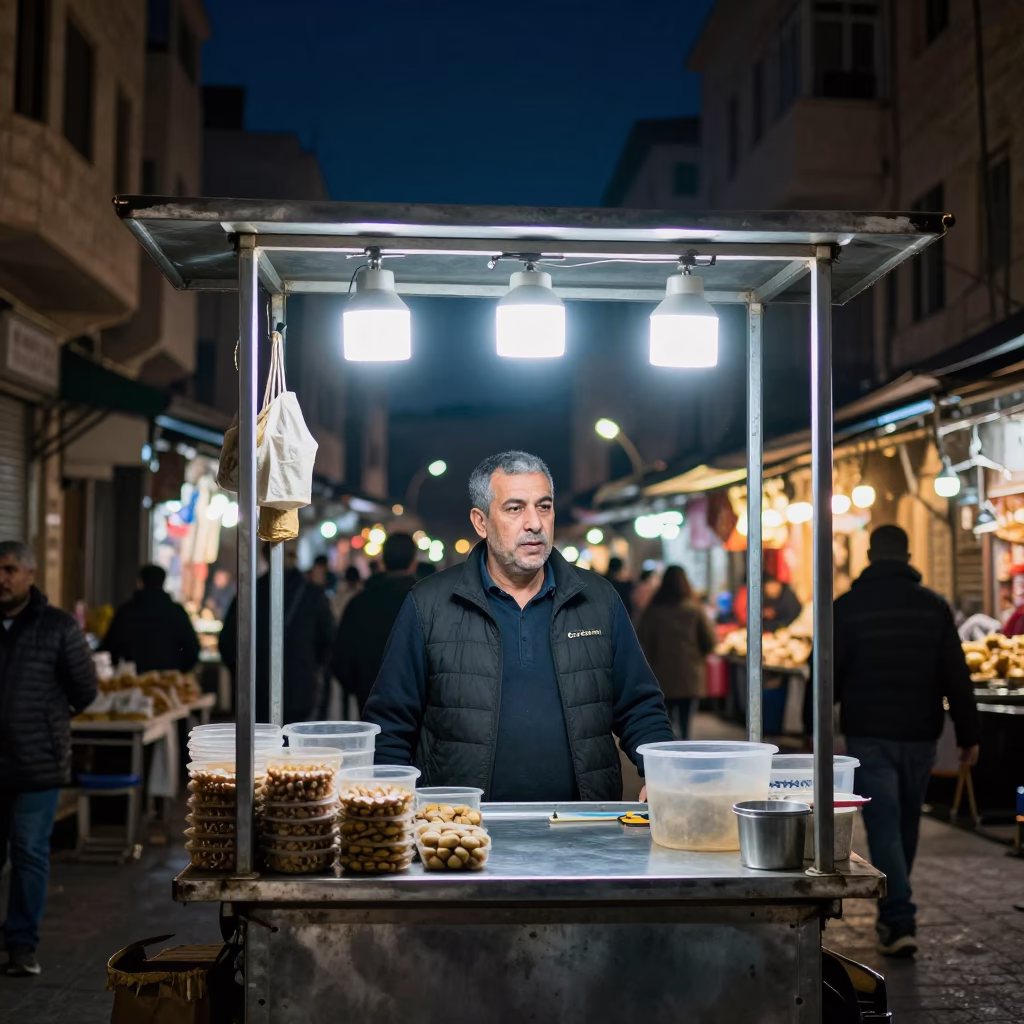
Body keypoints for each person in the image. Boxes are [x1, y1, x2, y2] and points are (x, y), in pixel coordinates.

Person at [363, 451, 674, 801]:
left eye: (544, 506)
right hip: (460, 831)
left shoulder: (598, 600)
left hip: (581, 829)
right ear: (481, 522)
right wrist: (389, 803)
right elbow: (390, 724)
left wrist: (664, 774)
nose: (535, 523)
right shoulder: (429, 604)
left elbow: (640, 706)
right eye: (515, 508)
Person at [834, 525, 980, 958]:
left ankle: (898, 918)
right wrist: (970, 734)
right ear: (909, 554)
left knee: (884, 825)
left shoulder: (847, 606)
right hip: (921, 732)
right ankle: (897, 914)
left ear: (869, 554)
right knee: (905, 823)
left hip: (870, 731)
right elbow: (957, 672)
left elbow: (827, 671)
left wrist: (812, 728)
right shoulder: (933, 607)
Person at [0, 541, 97, 977]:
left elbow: (84, 690)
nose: (2, 579)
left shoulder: (58, 627)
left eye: (10, 569)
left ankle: (22, 946)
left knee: (29, 852)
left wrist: (44, 720)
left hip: (36, 762)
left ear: (31, 575)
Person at [219, 543, 334, 724]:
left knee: (261, 747)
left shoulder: (249, 593)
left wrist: (243, 671)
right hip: (299, 689)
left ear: (265, 557)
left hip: (255, 691)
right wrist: (310, 667)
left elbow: (227, 643)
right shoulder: (313, 595)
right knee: (294, 746)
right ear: (294, 557)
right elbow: (328, 642)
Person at [331, 534, 419, 717]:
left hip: (369, 699)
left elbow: (341, 657)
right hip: (417, 704)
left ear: (383, 562)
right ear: (413, 563)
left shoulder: (360, 601)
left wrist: (360, 685)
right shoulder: (427, 601)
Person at [637, 566, 716, 740]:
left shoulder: (653, 610)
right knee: (686, 718)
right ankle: (686, 746)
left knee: (665, 719)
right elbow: (709, 642)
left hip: (660, 673)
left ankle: (668, 749)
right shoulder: (695, 610)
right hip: (689, 673)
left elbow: (641, 637)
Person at [101, 564, 200, 673]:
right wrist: (178, 672)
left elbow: (109, 646)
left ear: (140, 582)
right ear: (163, 583)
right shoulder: (177, 611)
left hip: (132, 681)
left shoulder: (126, 611)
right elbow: (192, 649)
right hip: (168, 681)